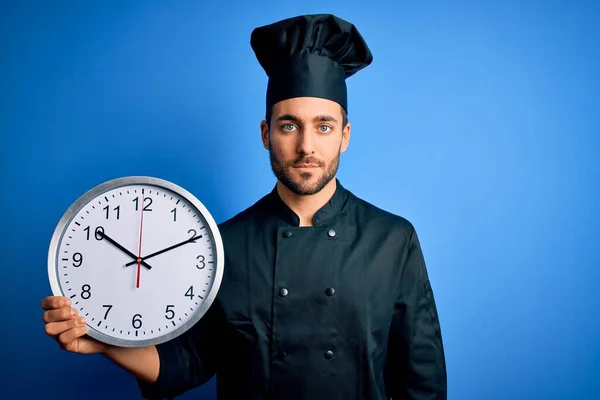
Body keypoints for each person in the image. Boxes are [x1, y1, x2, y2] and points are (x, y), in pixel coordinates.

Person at [41, 14, 447, 400]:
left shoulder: (393, 241)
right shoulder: (222, 245)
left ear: (345, 135)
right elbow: (185, 364)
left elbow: (422, 383)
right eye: (289, 125)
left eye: (323, 126)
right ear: (266, 134)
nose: (307, 146)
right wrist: (104, 340)